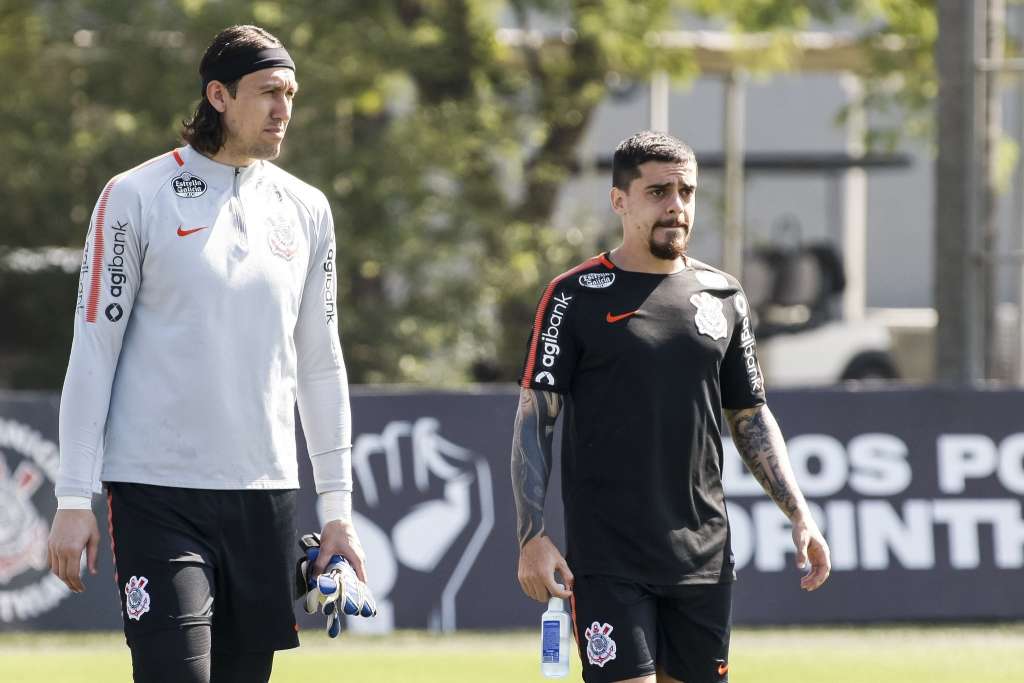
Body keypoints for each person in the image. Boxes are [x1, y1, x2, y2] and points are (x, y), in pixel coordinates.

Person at [47, 24, 367, 683]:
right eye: (268, 92)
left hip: (266, 494)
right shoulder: (134, 195)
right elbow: (93, 351)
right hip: (157, 492)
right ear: (218, 95)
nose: (284, 109)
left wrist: (338, 510)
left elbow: (321, 363)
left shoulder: (307, 208)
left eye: (291, 93)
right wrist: (73, 494)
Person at [511, 131, 831, 683]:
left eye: (686, 191)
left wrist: (799, 513)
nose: (676, 206)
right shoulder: (574, 295)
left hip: (704, 558)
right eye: (658, 191)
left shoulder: (723, 295)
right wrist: (531, 535)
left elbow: (750, 415)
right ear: (620, 200)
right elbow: (535, 419)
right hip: (609, 560)